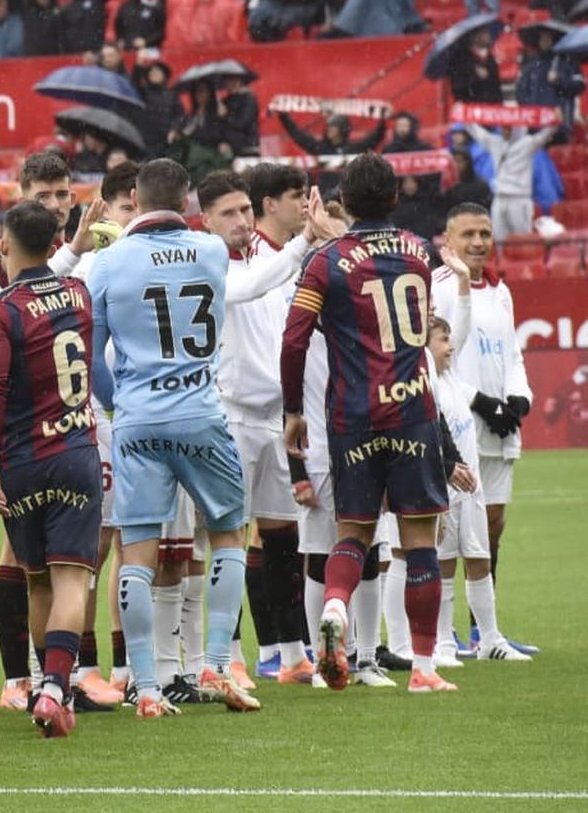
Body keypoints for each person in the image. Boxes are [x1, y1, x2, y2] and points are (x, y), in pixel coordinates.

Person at [282, 154, 467, 693]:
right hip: (412, 413)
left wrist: (293, 410)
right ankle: (425, 670)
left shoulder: (324, 262)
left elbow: (294, 339)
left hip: (353, 416)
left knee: (354, 532)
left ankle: (335, 609)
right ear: (394, 199)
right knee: (419, 542)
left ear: (346, 195)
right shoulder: (416, 251)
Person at [87, 158, 259, 717]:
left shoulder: (108, 264)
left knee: (135, 552)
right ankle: (213, 661)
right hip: (200, 413)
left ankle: (147, 686)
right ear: (187, 201)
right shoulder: (211, 251)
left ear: (133, 198)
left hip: (137, 418)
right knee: (230, 534)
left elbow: (91, 356)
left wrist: (119, 402)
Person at [0, 200, 104, 737]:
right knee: (74, 578)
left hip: (23, 460)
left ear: (5, 243)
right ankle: (55, 687)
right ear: (56, 244)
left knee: (37, 582)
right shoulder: (78, 293)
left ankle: (44, 685)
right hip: (74, 452)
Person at [198, 167, 334, 687]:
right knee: (227, 537)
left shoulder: (272, 259)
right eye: (228, 213)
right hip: (229, 412)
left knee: (281, 537)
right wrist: (304, 240)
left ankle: (293, 653)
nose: (240, 221)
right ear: (205, 219)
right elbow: (248, 290)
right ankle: (227, 654)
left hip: (275, 416)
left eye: (244, 211)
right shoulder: (207, 261)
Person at [430, 203, 539, 656]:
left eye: (485, 234)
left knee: (491, 526)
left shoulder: (501, 290)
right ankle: (439, 632)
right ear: (448, 240)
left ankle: (483, 630)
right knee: (444, 532)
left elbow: (511, 352)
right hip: (459, 424)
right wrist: (480, 401)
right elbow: (439, 355)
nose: (478, 242)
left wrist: (519, 396)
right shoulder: (439, 289)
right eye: (468, 234)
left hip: (499, 427)